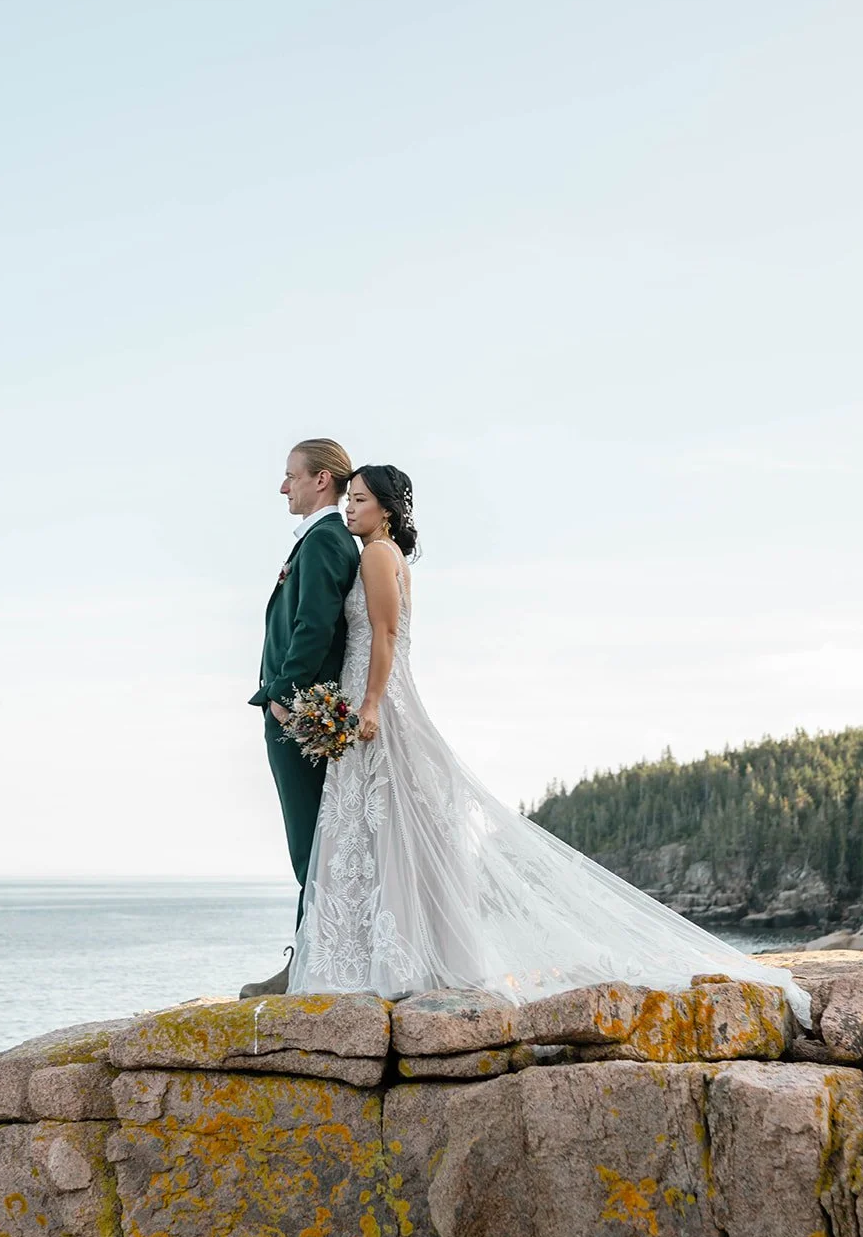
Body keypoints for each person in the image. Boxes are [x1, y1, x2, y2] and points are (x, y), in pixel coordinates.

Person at [286, 464, 811, 1025]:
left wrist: (367, 704)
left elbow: (385, 634)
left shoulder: (375, 555)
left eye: (360, 500)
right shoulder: (388, 557)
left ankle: (382, 963)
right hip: (378, 693)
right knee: (392, 825)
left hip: (379, 698)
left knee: (384, 823)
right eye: (350, 499)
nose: (350, 508)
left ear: (385, 509)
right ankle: (394, 958)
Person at [240, 439, 359, 999]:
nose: (283, 487)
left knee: (309, 844)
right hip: (305, 711)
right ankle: (318, 957)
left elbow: (314, 627)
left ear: (321, 481)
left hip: (301, 717)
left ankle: (309, 967)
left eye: (291, 476)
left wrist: (279, 695)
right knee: (317, 842)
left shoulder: (325, 542)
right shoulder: (324, 540)